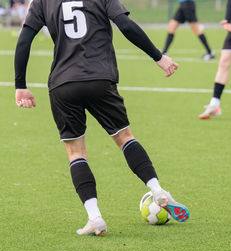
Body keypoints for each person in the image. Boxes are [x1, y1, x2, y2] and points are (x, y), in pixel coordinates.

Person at [14, 0, 190, 236]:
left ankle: (94, 217)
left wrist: (20, 85)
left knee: (76, 152)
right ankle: (157, 189)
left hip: (63, 84)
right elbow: (126, 25)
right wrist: (159, 57)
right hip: (100, 78)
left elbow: (25, 39)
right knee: (125, 138)